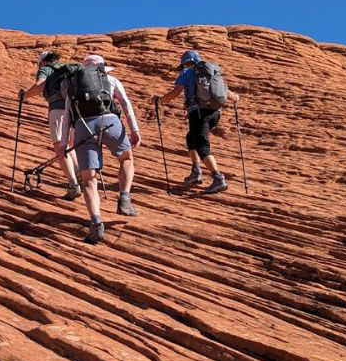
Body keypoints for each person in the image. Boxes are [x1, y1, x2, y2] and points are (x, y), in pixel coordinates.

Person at [62, 54, 140, 244]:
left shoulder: (73, 85)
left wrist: (65, 142)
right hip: (110, 121)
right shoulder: (111, 79)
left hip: (83, 126)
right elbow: (126, 104)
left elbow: (66, 115)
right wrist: (134, 129)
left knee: (88, 179)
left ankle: (96, 220)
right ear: (102, 68)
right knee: (126, 159)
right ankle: (124, 197)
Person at [155, 49, 235, 195]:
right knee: (191, 138)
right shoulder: (211, 72)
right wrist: (235, 97)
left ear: (187, 63)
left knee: (202, 147)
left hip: (198, 114)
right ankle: (196, 172)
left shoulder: (187, 73)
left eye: (184, 65)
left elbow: (175, 93)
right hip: (215, 113)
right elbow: (226, 92)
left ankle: (218, 178)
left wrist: (160, 101)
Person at [21, 50, 81, 200]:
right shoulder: (67, 69)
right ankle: (81, 176)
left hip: (58, 109)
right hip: (75, 110)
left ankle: (73, 184)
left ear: (42, 62)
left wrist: (24, 96)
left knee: (60, 145)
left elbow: (39, 86)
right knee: (69, 144)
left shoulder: (45, 69)